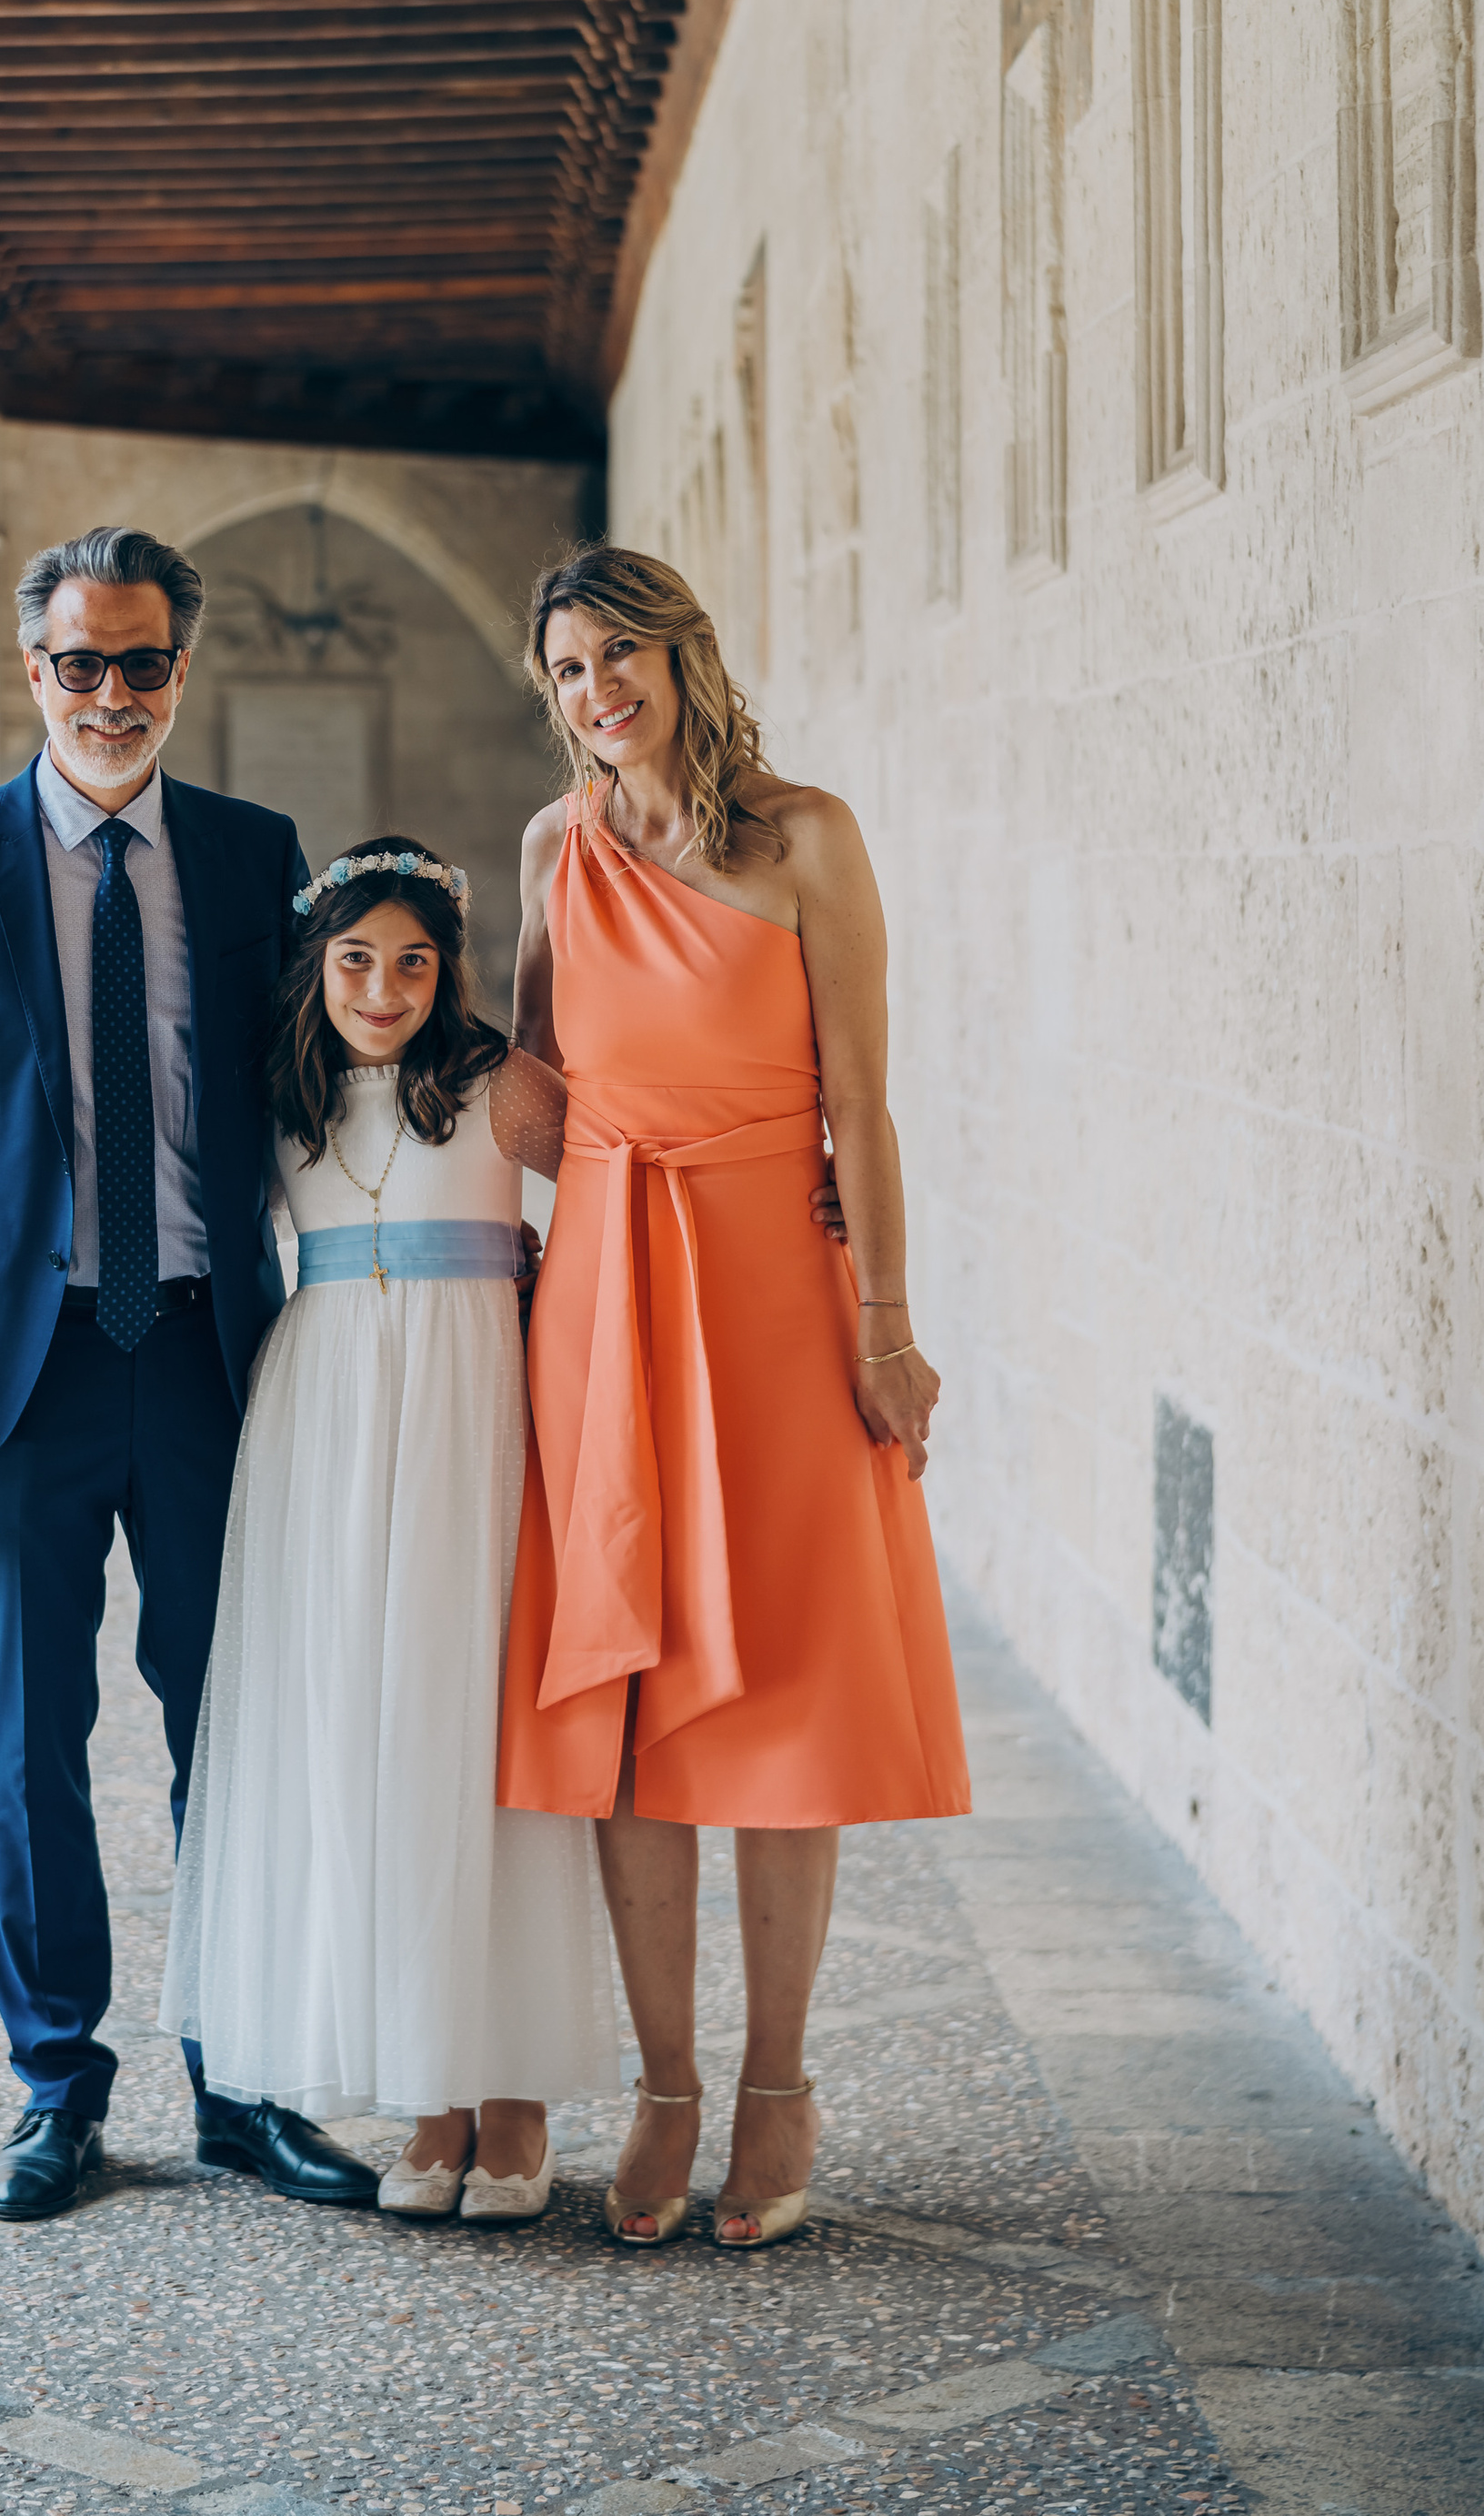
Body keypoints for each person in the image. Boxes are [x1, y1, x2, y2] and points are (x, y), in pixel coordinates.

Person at [0, 525, 378, 2225]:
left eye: (141, 664)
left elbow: (336, 1091)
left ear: (181, 672)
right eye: (80, 664)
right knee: (29, 1744)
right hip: (14, 1378)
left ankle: (247, 2085)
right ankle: (58, 2088)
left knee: (238, 1739)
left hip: (211, 1362)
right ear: (33, 670)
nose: (111, 694)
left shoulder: (255, 853)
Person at [497, 543, 971, 2253]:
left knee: (777, 1700)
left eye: (618, 656)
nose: (595, 692)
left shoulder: (808, 838)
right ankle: (666, 2087)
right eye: (565, 670)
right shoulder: (555, 849)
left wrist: (886, 1322)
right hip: (605, 1292)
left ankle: (778, 2087)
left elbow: (867, 1105)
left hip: (778, 1287)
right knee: (630, 1712)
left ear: (682, 657)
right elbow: (542, 1090)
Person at [162, 844, 617, 2224]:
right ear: (319, 966)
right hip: (325, 1422)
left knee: (467, 1727)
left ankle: (516, 2095)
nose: (385, 987)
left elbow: (626, 1184)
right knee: (363, 1738)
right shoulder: (282, 1100)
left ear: (448, 971)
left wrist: (812, 1181)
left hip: (471, 1408)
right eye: (357, 959)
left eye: (414, 961)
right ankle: (431, 2096)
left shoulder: (497, 1090)